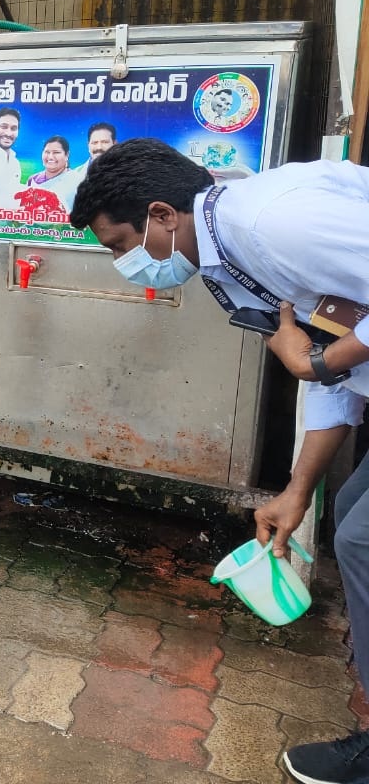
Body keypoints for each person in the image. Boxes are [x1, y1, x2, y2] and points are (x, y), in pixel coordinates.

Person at [68, 139, 369, 784]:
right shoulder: (227, 257)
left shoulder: (274, 224)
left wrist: (319, 361)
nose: (125, 263)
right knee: (348, 515)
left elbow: (320, 361)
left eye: (120, 245)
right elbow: (324, 355)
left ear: (160, 214)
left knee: (362, 541)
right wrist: (298, 488)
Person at [25, 135, 81, 212]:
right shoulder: (33, 180)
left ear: (67, 155)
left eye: (56, 152)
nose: (50, 157)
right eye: (47, 152)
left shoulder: (77, 181)